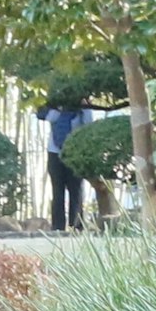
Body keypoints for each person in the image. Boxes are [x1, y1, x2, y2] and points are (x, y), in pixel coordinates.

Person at [42, 98, 90, 233]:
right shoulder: (54, 108)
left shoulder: (82, 108)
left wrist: (84, 105)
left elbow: (88, 123)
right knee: (58, 191)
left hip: (75, 152)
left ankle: (76, 225)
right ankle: (58, 227)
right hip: (54, 152)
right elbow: (47, 116)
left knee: (76, 190)